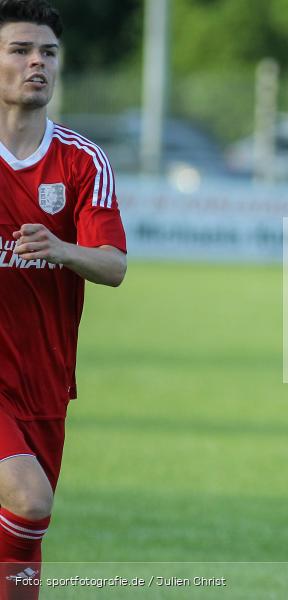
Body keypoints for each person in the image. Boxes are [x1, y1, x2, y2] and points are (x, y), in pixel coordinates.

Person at [0, 1, 127, 597]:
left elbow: (114, 265)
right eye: (20, 50)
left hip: (45, 379)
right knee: (28, 496)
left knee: (27, 531)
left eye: (47, 52)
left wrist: (60, 248)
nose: (36, 63)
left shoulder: (81, 160)